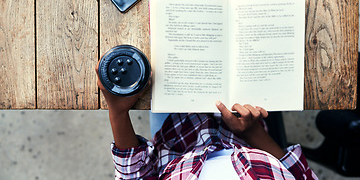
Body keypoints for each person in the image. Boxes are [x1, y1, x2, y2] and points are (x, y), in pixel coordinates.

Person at [96, 63, 318, 180]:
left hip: (175, 130)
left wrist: (117, 112)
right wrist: (250, 131)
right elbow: (297, 171)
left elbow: (134, 175)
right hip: (242, 119)